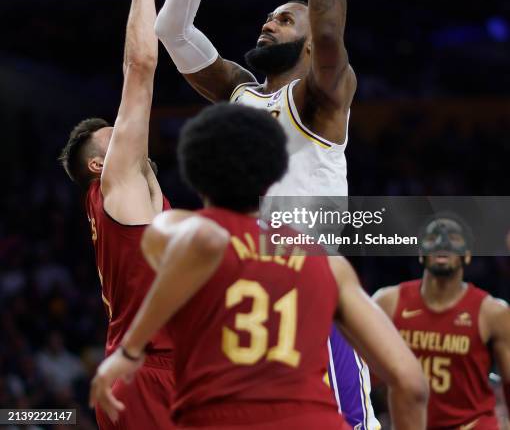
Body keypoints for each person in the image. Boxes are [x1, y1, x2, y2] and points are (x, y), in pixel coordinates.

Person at [153, 0, 375, 428]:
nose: (267, 21)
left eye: (285, 17)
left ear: (307, 39)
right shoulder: (241, 92)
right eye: (270, 14)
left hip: (316, 296)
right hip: (249, 301)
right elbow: (171, 31)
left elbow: (329, 34)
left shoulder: (322, 97)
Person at [90, 103, 428, 430]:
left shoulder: (181, 231)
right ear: (272, 178)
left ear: (195, 177)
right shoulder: (326, 262)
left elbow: (205, 243)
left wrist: (130, 350)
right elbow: (411, 383)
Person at [59, 0, 179, 429]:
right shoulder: (117, 184)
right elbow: (141, 64)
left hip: (167, 366)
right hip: (147, 373)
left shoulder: (137, 195)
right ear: (96, 167)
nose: (126, 134)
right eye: (114, 137)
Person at [373, 216, 510, 429]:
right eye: (432, 237)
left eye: (453, 238)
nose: (442, 243)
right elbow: (361, 374)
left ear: (467, 255)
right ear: (421, 254)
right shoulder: (387, 302)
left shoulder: (492, 312)